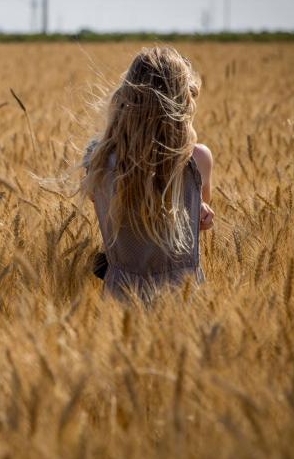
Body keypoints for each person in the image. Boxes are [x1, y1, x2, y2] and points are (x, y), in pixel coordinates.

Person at [81, 46, 214, 301]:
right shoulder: (198, 160)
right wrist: (202, 211)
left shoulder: (97, 160)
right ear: (183, 102)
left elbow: (105, 205)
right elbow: (198, 220)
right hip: (181, 296)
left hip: (120, 294)